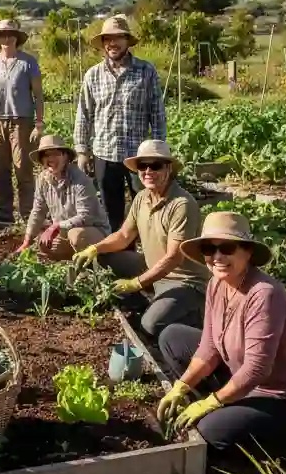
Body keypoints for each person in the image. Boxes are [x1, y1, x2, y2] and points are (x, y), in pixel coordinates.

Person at [157, 211, 286, 462]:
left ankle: (280, 444)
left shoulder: (264, 295)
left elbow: (257, 369)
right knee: (173, 337)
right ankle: (231, 408)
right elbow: (209, 346)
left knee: (208, 434)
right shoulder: (217, 284)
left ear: (247, 252)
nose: (217, 257)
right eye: (209, 248)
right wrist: (182, 387)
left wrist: (212, 401)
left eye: (226, 247)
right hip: (246, 381)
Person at [73, 140, 210, 340]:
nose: (148, 171)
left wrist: (135, 283)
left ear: (168, 168)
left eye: (155, 165)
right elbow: (123, 236)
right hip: (151, 268)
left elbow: (174, 258)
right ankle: (145, 300)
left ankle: (193, 312)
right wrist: (94, 248)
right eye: (142, 166)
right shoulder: (141, 198)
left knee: (150, 325)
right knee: (102, 259)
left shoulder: (181, 204)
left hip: (183, 281)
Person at [73, 15, 167, 231]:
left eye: (117, 38)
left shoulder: (145, 71)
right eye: (108, 39)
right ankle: (119, 253)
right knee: (110, 209)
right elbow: (84, 114)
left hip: (138, 155)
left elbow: (157, 111)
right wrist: (81, 150)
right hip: (104, 153)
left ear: (127, 40)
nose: (112, 44)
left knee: (145, 203)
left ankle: (148, 248)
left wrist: (159, 149)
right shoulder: (93, 75)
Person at [0, 20, 44, 224]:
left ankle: (28, 215)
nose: (6, 39)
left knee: (23, 168)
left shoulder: (28, 62)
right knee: (0, 168)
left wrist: (39, 123)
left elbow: (38, 95)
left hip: (21, 122)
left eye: (10, 35)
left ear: (16, 38)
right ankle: (4, 214)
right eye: (2, 35)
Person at [18, 134, 110, 259]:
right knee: (44, 244)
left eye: (55, 154)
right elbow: (38, 211)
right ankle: (75, 258)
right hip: (65, 232)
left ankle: (97, 262)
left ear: (65, 157)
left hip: (94, 231)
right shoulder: (42, 179)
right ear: (41, 160)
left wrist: (56, 226)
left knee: (76, 236)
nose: (50, 158)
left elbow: (86, 217)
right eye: (46, 155)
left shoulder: (80, 180)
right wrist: (26, 242)